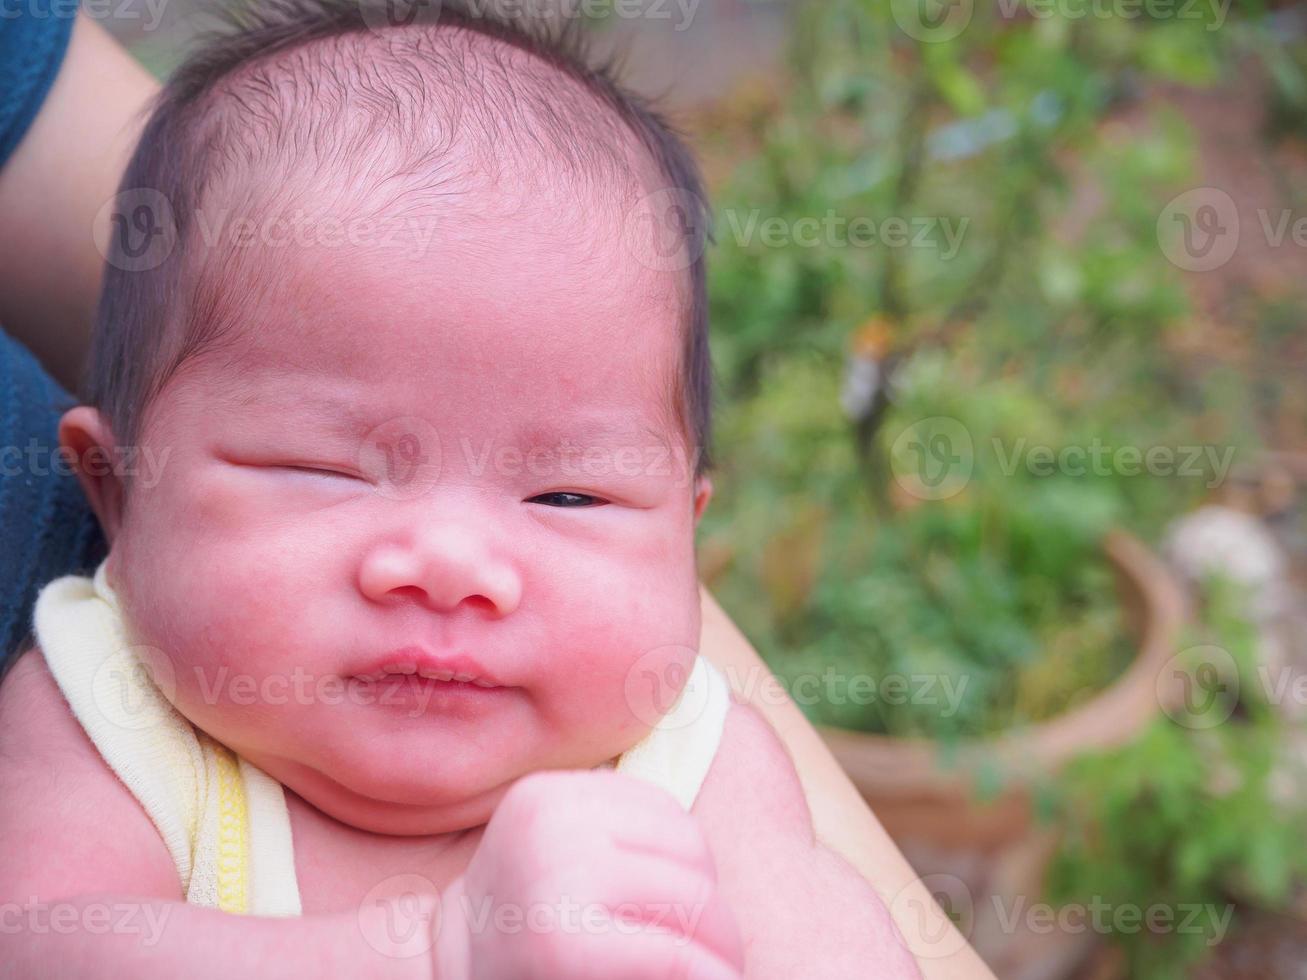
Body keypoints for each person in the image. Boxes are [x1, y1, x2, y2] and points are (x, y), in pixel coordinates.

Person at [0, 4, 990, 976]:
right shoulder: (111, 716)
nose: (449, 566)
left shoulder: (686, 762)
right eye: (324, 469)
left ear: (684, 536)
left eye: (567, 496)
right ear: (117, 493)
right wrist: (430, 952)